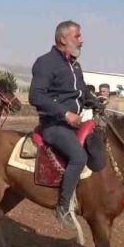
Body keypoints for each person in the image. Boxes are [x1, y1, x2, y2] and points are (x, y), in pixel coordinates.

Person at [29, 20, 89, 226]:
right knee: (79, 157)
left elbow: (82, 93)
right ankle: (63, 207)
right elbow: (35, 96)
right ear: (64, 39)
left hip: (75, 124)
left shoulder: (74, 65)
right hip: (54, 125)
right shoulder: (46, 62)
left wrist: (97, 103)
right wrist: (65, 114)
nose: (82, 40)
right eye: (77, 36)